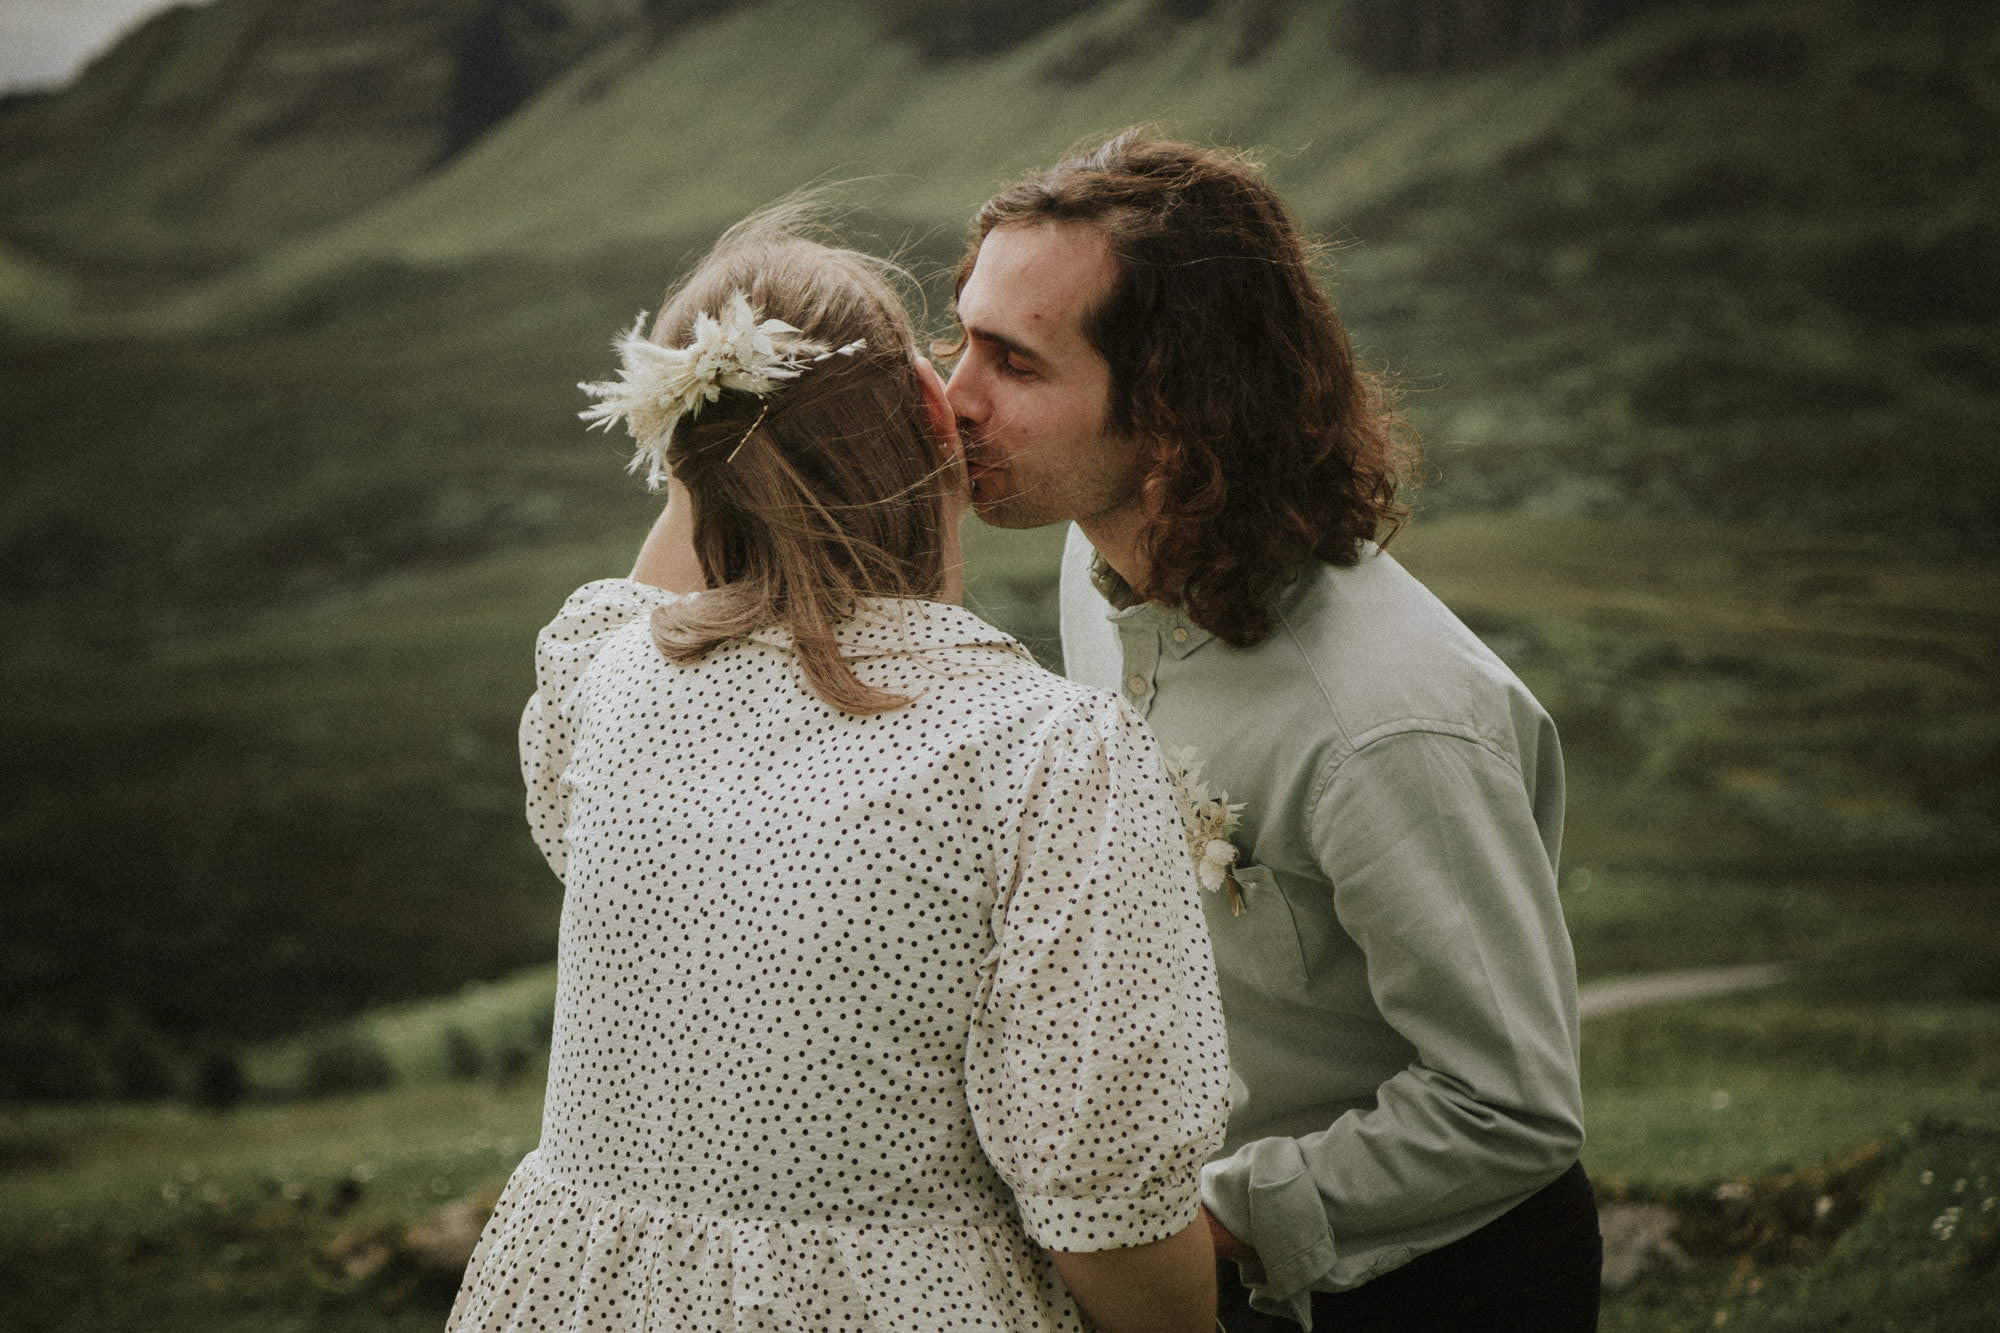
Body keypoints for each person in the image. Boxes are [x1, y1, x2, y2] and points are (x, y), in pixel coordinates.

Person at [446, 207, 1231, 1333]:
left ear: (681, 452)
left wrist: (715, 443)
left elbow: (664, 583)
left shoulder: (606, 680)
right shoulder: (1042, 751)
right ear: (928, 407)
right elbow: (1102, 1198)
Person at [943, 132, 1601, 1331]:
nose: (954, 400)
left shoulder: (1388, 723)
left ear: (1173, 412)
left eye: (1014, 363)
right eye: (962, 340)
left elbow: (1508, 1106)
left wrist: (1196, 1228)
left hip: (1428, 1290)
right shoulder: (1095, 569)